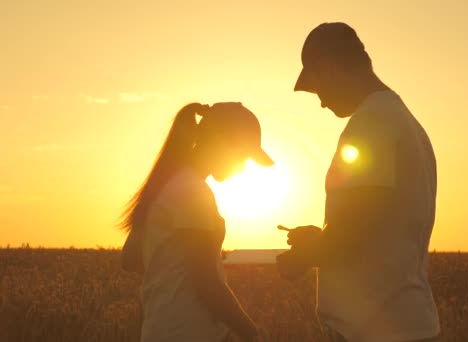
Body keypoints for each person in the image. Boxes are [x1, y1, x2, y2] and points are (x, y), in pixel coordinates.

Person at [276, 22, 441, 341]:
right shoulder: (403, 120)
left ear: (328, 68)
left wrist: (306, 256)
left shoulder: (371, 123)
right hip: (406, 320)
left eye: (318, 89)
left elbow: (356, 229)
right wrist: (322, 235)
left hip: (375, 327)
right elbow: (376, 220)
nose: (322, 102)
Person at [119, 102, 273, 342]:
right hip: (189, 331)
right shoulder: (193, 191)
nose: (243, 168)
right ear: (222, 142)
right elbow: (205, 281)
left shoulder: (167, 185)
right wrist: (252, 334)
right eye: (243, 156)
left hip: (160, 328)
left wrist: (187, 256)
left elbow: (130, 258)